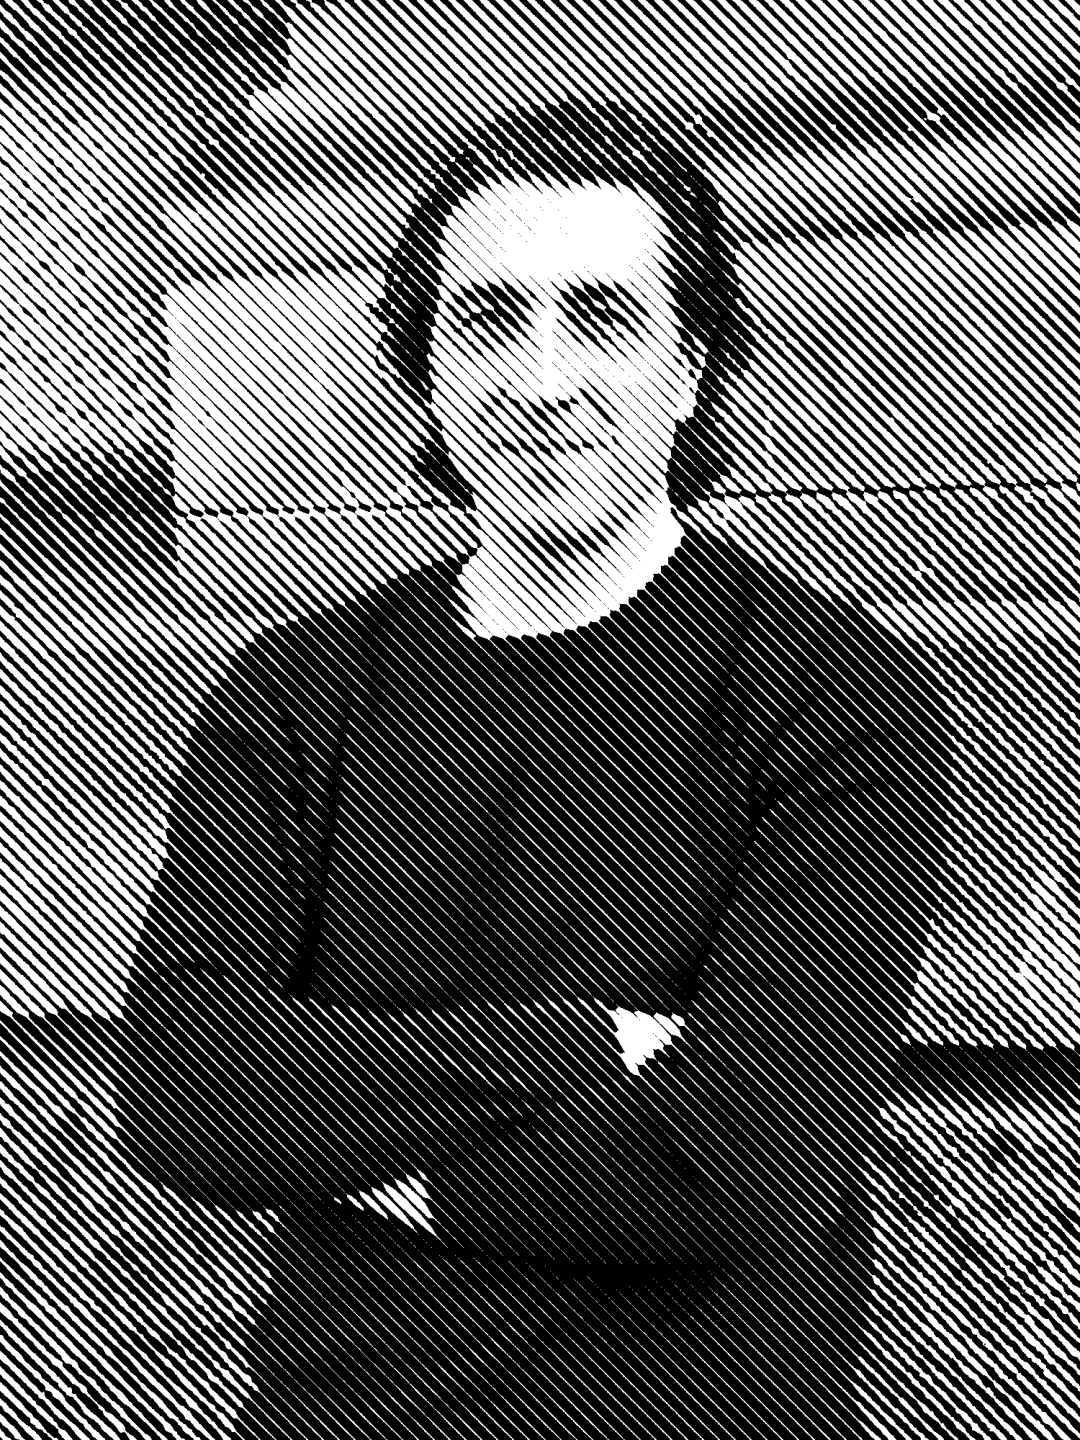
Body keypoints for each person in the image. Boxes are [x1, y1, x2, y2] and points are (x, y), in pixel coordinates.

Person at [115, 99, 952, 1439]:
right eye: (489, 320)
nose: (540, 377)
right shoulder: (296, 695)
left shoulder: (836, 694)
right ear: (425, 369)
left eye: (602, 317)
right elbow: (185, 1088)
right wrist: (592, 1045)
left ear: (690, 369)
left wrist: (384, 1163)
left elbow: (750, 1151)